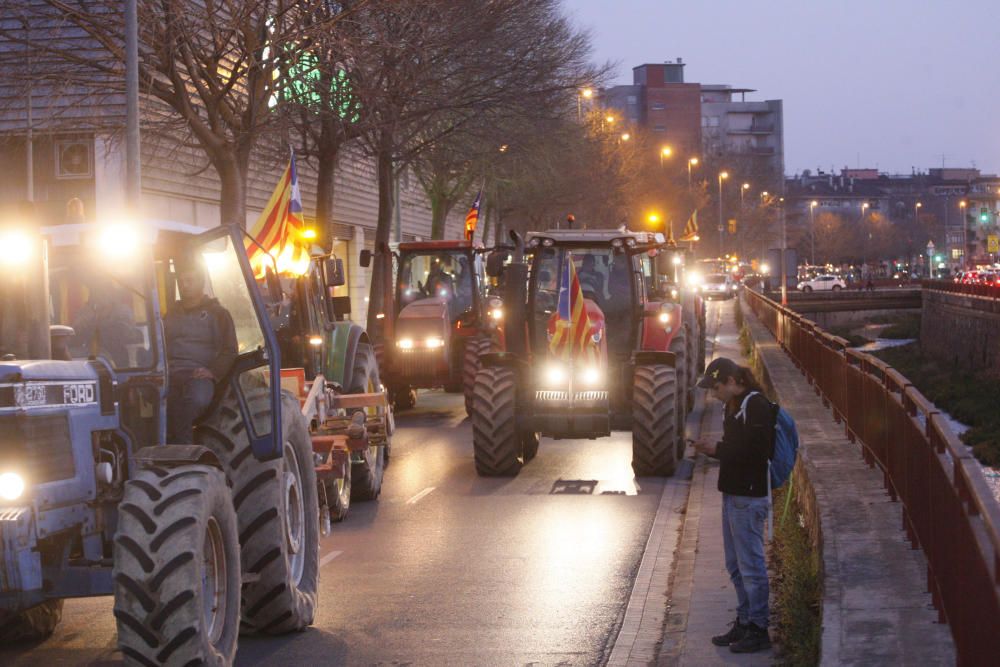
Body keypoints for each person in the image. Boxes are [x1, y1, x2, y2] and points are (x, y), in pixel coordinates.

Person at [692, 357, 774, 654]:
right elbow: (738, 447)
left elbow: (757, 451)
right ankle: (744, 620)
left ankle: (759, 628)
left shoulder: (755, 405)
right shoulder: (734, 406)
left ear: (730, 381)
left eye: (715, 387)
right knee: (735, 565)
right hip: (733, 494)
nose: (713, 394)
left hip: (749, 498)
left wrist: (717, 448)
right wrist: (716, 447)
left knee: (751, 567)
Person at [164, 257, 238, 444]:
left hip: (198, 375)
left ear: (201, 283)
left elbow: (230, 350)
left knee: (194, 401)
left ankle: (185, 450)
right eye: (181, 282)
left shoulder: (218, 313)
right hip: (169, 374)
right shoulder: (170, 314)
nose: (185, 285)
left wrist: (212, 372)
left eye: (190, 281)